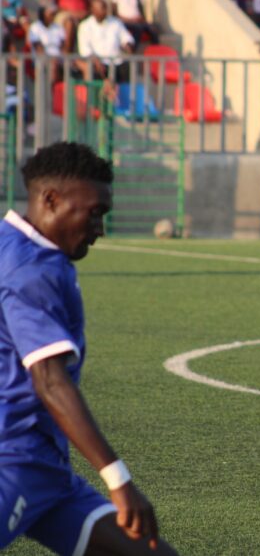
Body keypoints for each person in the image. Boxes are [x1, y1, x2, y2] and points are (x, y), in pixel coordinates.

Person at [0, 142, 177, 555]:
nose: (100, 228)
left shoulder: (16, 244)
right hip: (13, 462)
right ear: (50, 199)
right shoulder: (32, 270)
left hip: (49, 473)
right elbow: (50, 380)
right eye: (94, 213)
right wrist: (119, 479)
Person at [76, 0, 135, 82]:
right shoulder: (85, 26)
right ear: (93, 10)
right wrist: (96, 61)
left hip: (116, 63)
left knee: (128, 67)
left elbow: (126, 37)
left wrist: (127, 44)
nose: (104, 11)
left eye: (105, 8)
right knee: (93, 70)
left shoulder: (116, 22)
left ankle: (125, 94)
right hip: (98, 64)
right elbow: (85, 50)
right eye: (101, 9)